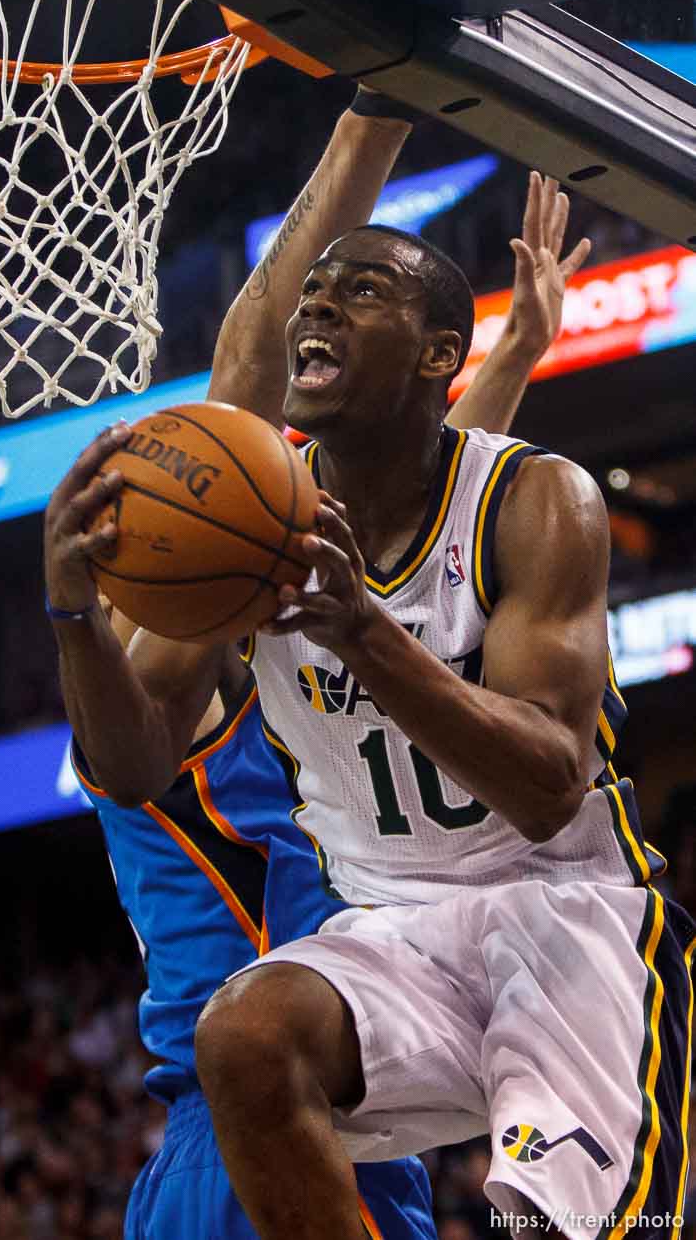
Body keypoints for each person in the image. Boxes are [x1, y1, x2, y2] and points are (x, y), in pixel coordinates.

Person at [45, 90, 591, 1240]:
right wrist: (375, 106)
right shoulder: (175, 689)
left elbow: (398, 501)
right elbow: (252, 386)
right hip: (265, 1131)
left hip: (280, 1127)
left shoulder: (248, 650)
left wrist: (515, 355)